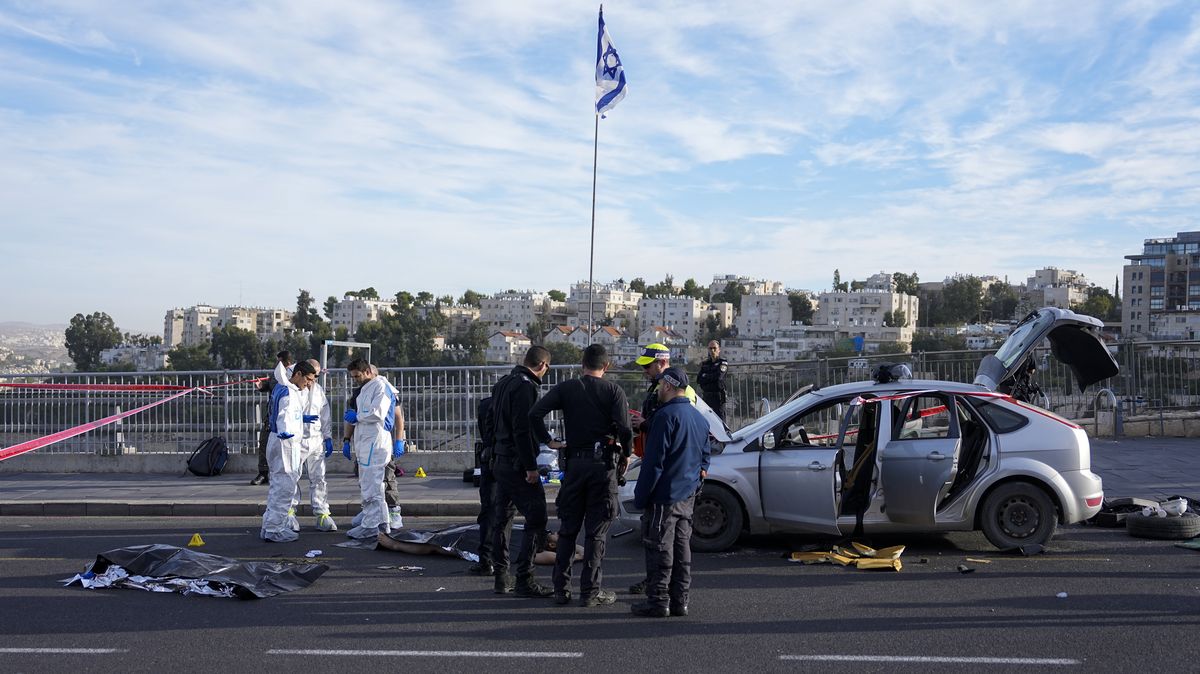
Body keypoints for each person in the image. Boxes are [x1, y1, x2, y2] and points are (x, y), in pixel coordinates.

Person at [529, 344, 632, 607]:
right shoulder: (614, 391)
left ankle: (561, 590)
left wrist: (549, 441)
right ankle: (590, 592)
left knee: (568, 531)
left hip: (574, 466)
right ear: (606, 366)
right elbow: (625, 428)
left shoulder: (567, 388)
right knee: (596, 533)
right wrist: (626, 454)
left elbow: (534, 414)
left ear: (582, 364)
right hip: (602, 468)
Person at [631, 366, 710, 618]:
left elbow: (654, 463)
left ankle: (658, 601)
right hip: (687, 496)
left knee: (659, 548)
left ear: (666, 385)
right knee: (681, 547)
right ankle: (680, 601)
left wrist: (641, 497)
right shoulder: (699, 418)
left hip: (664, 497)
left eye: (660, 387)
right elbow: (705, 458)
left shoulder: (665, 417)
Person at [627, 342, 697, 595]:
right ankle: (673, 592)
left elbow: (677, 431)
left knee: (660, 538)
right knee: (674, 540)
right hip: (677, 474)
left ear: (662, 363)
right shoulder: (659, 387)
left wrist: (646, 424)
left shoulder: (678, 393)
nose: (645, 371)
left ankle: (659, 591)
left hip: (669, 475)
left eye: (648, 366)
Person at [489, 346, 554, 598]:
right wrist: (530, 467)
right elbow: (521, 429)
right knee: (537, 517)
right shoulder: (527, 387)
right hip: (517, 463)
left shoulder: (504, 382)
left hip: (500, 460)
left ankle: (501, 576)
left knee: (503, 519)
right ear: (543, 366)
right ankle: (525, 578)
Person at [342, 358, 403, 540]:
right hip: (367, 443)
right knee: (371, 484)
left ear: (368, 371)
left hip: (374, 443)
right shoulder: (365, 391)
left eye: (358, 376)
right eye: (353, 377)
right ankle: (380, 522)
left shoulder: (380, 387)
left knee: (372, 486)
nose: (356, 380)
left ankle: (372, 525)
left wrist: (357, 416)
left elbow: (378, 413)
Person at [259, 360, 317, 542]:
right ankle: (275, 528)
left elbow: (285, 413)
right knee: (285, 486)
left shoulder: (283, 388)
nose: (308, 384)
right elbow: (284, 414)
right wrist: (286, 429)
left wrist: (301, 419)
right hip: (286, 442)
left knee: (277, 485)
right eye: (307, 379)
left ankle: (269, 525)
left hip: (279, 440)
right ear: (297, 374)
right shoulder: (288, 393)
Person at [290, 359, 337, 532]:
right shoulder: (294, 390)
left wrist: (328, 437)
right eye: (312, 376)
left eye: (317, 376)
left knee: (318, 478)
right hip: (297, 440)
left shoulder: (318, 391)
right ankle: (289, 512)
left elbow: (325, 414)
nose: (314, 380)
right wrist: (299, 420)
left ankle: (322, 513)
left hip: (316, 440)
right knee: (292, 477)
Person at [251, 350, 293, 485]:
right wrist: (261, 386)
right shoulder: (276, 375)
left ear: (288, 362)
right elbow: (268, 385)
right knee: (263, 442)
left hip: (287, 417)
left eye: (281, 361)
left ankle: (288, 472)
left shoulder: (294, 374)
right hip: (271, 416)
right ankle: (263, 473)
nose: (278, 364)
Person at [467, 395, 497, 576]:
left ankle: (487, 560)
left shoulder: (486, 404)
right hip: (513, 461)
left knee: (489, 510)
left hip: (490, 460)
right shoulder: (517, 400)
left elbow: (484, 432)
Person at [696, 340, 729, 421]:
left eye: (714, 348)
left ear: (719, 349)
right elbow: (699, 379)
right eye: (710, 348)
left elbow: (719, 377)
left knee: (720, 422)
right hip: (707, 396)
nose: (712, 350)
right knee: (706, 420)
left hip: (718, 397)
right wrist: (711, 377)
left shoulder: (723, 363)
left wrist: (706, 376)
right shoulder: (705, 364)